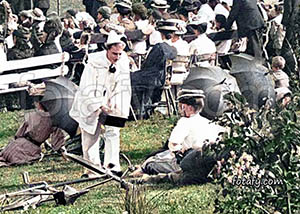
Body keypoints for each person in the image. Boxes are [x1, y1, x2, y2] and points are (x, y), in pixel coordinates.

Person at [69, 31, 131, 178]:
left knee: (113, 131)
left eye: (119, 54)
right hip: (92, 101)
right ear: (107, 49)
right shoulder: (94, 63)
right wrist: (100, 105)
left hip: (112, 102)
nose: (117, 57)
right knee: (90, 134)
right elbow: (86, 87)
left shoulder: (123, 62)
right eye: (114, 53)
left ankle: (112, 165)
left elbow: (123, 86)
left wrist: (115, 103)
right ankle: (92, 169)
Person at [130, 88, 225, 177]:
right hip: (207, 161)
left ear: (186, 107)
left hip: (189, 161)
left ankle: (142, 170)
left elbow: (173, 145)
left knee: (150, 162)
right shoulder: (208, 121)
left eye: (180, 106)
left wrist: (179, 150)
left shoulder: (184, 122)